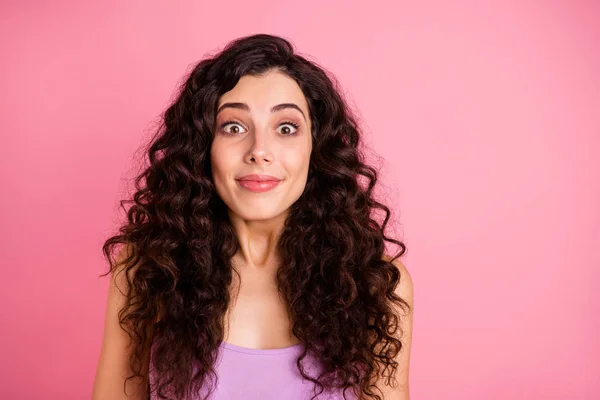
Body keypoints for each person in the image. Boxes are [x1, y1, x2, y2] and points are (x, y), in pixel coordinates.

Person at [92, 33, 414, 400]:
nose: (260, 151)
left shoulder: (378, 284)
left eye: (286, 128)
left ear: (316, 148)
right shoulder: (148, 271)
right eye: (234, 127)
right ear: (203, 147)